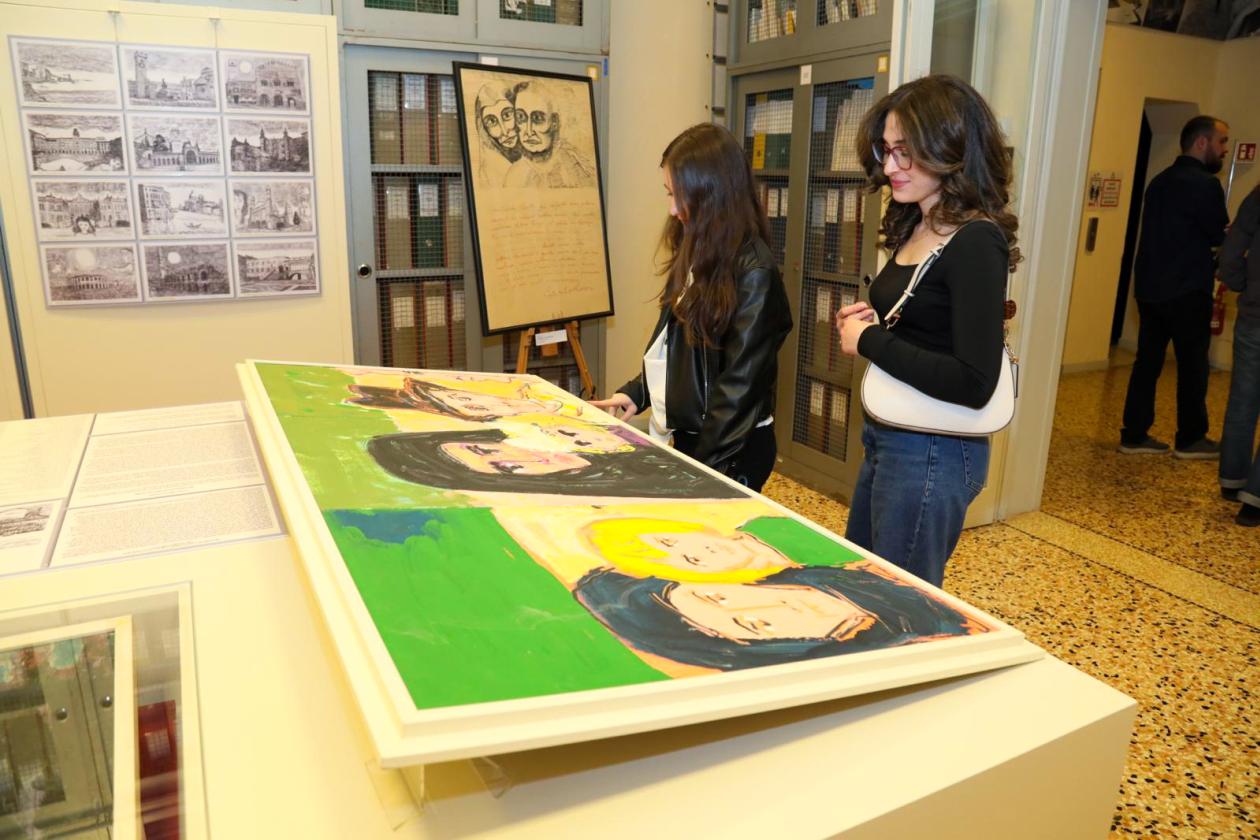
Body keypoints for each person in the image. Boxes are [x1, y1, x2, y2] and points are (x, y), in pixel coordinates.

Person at [834, 75, 1019, 589]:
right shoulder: (918, 222)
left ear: (951, 150)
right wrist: (873, 325)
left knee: (901, 604)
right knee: (866, 585)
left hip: (933, 449)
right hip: (892, 433)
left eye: (906, 153)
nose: (890, 167)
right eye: (887, 150)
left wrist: (869, 341)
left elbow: (973, 381)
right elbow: (927, 328)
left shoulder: (975, 240)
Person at [592, 123, 793, 492]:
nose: (673, 210)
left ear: (713, 194)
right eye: (669, 194)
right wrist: (638, 392)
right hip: (694, 437)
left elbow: (738, 389)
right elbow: (679, 345)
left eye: (681, 196)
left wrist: (700, 472)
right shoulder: (699, 248)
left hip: (730, 449)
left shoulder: (754, 271)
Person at [572, 563, 979, 672]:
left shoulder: (850, 575)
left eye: (716, 596)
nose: (768, 607)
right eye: (755, 625)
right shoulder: (921, 641)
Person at [1119, 115, 1231, 458]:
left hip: (1150, 289)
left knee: (1147, 363)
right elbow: (1218, 235)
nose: (1225, 150)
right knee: (1192, 366)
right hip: (1186, 289)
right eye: (1222, 142)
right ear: (1201, 142)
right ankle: (1191, 438)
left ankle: (1134, 434)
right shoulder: (1206, 185)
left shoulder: (1159, 181)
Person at [366, 429, 746, 499]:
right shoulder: (632, 490)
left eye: (484, 448)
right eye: (508, 469)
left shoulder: (596, 442)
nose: (518, 457)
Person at [1218, 184, 1260, 527]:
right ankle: (1255, 499)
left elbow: (1231, 251)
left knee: (1243, 400)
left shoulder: (1259, 195)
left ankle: (1232, 479)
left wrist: (1241, 284)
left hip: (1254, 315)